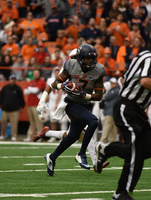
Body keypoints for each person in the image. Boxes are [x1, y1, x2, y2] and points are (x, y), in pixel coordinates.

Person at [95, 32, 151, 200]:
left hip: (134, 108)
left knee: (145, 151)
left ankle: (105, 150)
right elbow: (145, 81)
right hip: (128, 107)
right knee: (134, 150)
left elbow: (123, 80)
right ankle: (121, 192)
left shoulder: (141, 56)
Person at [36, 44, 106, 176]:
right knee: (93, 122)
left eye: (92, 58)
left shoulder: (98, 70)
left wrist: (85, 95)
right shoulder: (71, 65)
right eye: (87, 58)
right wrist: (62, 86)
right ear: (79, 58)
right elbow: (54, 84)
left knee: (72, 136)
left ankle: (52, 157)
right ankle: (81, 154)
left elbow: (99, 96)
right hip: (72, 104)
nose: (90, 61)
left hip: (84, 105)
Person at [0, 75, 25, 141]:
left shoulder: (18, 89)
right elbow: (0, 97)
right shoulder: (5, 88)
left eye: (14, 79)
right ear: (9, 80)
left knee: (14, 124)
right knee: (3, 122)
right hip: (5, 109)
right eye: (11, 79)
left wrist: (22, 106)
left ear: (15, 80)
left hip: (15, 110)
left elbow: (21, 98)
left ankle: (14, 136)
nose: (12, 80)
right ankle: (3, 135)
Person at [23, 69, 46, 142]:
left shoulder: (41, 81)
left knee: (38, 121)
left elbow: (36, 90)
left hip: (37, 104)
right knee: (32, 121)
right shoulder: (31, 82)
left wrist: (30, 89)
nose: (35, 74)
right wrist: (31, 90)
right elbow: (25, 91)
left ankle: (40, 137)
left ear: (39, 74)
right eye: (34, 73)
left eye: (37, 73)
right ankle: (30, 136)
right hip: (30, 104)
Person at [100, 77, 120, 143]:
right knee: (112, 128)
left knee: (107, 127)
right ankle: (113, 141)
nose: (112, 84)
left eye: (113, 83)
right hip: (111, 112)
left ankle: (103, 140)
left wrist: (104, 96)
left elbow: (106, 97)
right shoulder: (112, 90)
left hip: (110, 112)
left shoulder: (116, 90)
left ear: (116, 84)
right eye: (111, 83)